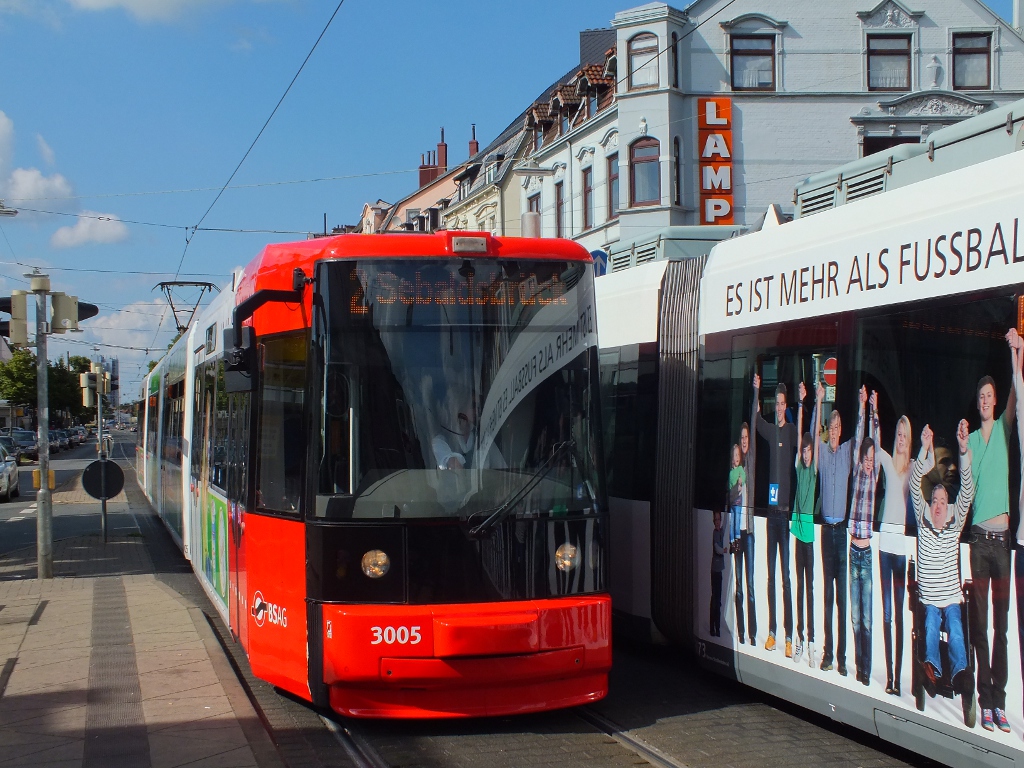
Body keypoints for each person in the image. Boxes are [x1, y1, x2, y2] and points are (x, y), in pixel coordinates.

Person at [965, 338, 1016, 733]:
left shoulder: (1003, 427)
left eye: (989, 395)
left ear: (997, 401)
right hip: (979, 543)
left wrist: (1017, 351)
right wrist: (963, 449)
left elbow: (1019, 385)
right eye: (980, 396)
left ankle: (999, 699)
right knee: (981, 625)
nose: (985, 400)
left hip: (1003, 545)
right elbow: (967, 486)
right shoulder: (974, 442)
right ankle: (985, 700)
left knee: (1002, 626)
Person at [911, 422, 974, 696]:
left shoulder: (954, 523)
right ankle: (934, 672)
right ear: (930, 503)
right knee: (930, 625)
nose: (938, 504)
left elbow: (967, 493)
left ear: (948, 506)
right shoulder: (922, 521)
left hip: (951, 598)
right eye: (934, 499)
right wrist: (925, 449)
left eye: (942, 500)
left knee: (957, 630)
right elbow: (915, 485)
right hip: (929, 600)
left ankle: (961, 674)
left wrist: (963, 450)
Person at [816, 380, 859, 676]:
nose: (833, 433)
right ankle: (828, 654)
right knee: (828, 599)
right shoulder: (821, 452)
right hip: (825, 532)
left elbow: (862, 436)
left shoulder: (846, 452)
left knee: (842, 599)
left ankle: (843, 659)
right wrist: (819, 402)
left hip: (841, 532)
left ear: (841, 431)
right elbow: (808, 436)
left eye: (836, 429)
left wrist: (865, 407)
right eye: (830, 429)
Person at [753, 374, 796, 657]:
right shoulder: (770, 431)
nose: (779, 408)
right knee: (771, 577)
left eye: (782, 404)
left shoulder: (791, 431)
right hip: (771, 515)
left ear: (786, 405)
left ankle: (789, 636)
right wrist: (755, 391)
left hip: (785, 515)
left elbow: (807, 435)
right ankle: (771, 633)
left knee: (786, 578)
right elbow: (755, 420)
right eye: (776, 404)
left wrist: (804, 403)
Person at [876, 413, 913, 696]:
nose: (900, 439)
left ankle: (899, 679)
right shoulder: (887, 462)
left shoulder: (911, 469)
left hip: (901, 551)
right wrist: (875, 416)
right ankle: (890, 677)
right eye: (898, 434)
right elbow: (874, 447)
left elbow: (927, 463)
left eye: (904, 435)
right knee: (887, 614)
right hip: (884, 548)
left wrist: (926, 445)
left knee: (899, 615)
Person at [848, 387, 880, 687]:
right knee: (856, 619)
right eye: (866, 458)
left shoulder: (874, 477)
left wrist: (874, 412)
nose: (869, 462)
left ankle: (867, 671)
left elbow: (874, 440)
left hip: (866, 555)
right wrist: (861, 409)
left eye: (872, 458)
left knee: (868, 621)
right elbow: (860, 439)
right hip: (852, 552)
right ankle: (859, 667)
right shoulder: (859, 473)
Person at [791, 381, 818, 667]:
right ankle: (799, 640)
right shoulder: (800, 467)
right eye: (806, 451)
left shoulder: (814, 471)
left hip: (809, 534)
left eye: (810, 451)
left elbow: (812, 438)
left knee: (810, 588)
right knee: (800, 587)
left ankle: (810, 641)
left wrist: (818, 403)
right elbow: (800, 436)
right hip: (797, 532)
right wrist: (801, 404)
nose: (808, 454)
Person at [734, 421, 757, 645]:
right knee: (739, 586)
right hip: (737, 535)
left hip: (748, 534)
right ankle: (740, 632)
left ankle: (752, 634)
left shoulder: (750, 464)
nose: (744, 441)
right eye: (741, 438)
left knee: (750, 585)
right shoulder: (734, 471)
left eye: (746, 437)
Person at [710, 509, 726, 637]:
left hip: (719, 570)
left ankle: (717, 628)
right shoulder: (715, 533)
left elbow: (725, 524)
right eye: (715, 520)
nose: (717, 522)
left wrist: (726, 507)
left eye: (719, 519)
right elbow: (717, 549)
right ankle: (713, 628)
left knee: (718, 600)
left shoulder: (720, 531)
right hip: (714, 570)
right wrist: (724, 550)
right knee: (715, 600)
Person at [728, 444, 746, 549]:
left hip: (738, 500)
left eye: (738, 455)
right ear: (732, 458)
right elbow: (730, 485)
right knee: (732, 521)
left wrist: (741, 481)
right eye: (735, 455)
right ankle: (731, 541)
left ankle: (737, 539)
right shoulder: (731, 472)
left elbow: (743, 477)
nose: (737, 457)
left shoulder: (740, 469)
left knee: (737, 519)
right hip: (732, 500)